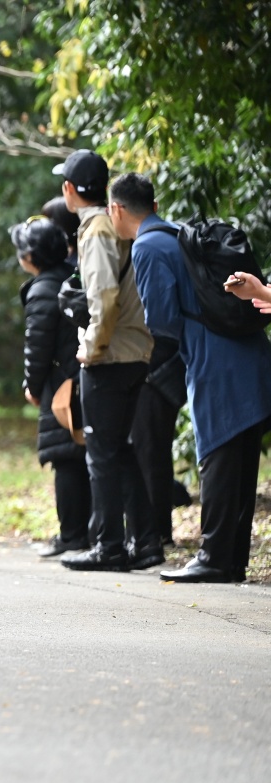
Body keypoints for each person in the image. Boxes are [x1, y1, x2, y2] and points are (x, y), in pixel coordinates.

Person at [112, 173, 271, 582]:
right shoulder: (177, 233)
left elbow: (161, 321)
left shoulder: (146, 246)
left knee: (216, 453)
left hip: (213, 359)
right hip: (247, 350)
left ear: (117, 210)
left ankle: (214, 557)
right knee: (240, 454)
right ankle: (232, 559)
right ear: (155, 206)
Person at [52, 151, 157, 572]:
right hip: (135, 351)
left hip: (109, 356)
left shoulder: (95, 229)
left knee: (101, 453)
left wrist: (91, 348)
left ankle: (108, 545)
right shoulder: (111, 224)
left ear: (69, 191)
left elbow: (104, 297)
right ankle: (146, 542)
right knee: (121, 451)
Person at [10, 216, 92, 557]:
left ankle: (72, 535)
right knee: (79, 457)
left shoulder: (43, 290)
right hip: (78, 380)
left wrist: (32, 385)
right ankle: (82, 532)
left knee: (66, 458)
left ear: (30, 256)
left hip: (62, 387)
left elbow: (37, 347)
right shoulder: (67, 277)